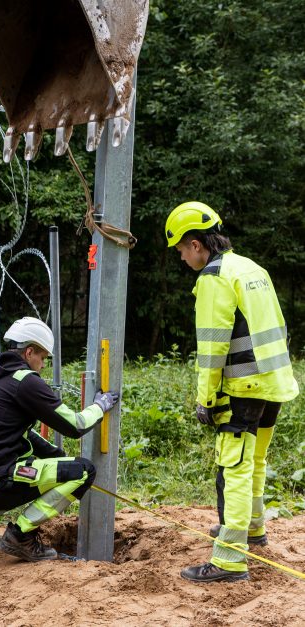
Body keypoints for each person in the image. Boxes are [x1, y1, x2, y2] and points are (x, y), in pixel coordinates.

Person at [165, 201, 299, 583]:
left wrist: (205, 400)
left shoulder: (214, 277)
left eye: (180, 250)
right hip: (274, 383)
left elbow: (211, 348)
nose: (181, 258)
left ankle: (228, 561)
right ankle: (252, 530)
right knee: (254, 461)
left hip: (244, 387)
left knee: (235, 468)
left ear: (195, 244)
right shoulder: (251, 268)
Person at [0, 316, 120, 561]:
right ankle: (20, 535)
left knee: (42, 463)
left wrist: (57, 457)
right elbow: (75, 425)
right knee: (83, 471)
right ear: (29, 352)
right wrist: (99, 406)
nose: (42, 365)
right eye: (42, 358)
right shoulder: (25, 381)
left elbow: (12, 431)